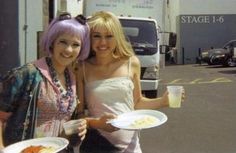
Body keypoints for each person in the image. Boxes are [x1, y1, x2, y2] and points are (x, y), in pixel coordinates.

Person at [76, 11, 185, 153]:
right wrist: (98, 124)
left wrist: (163, 101)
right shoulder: (82, 67)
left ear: (117, 38)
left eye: (109, 36)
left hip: (131, 145)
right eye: (97, 36)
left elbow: (137, 102)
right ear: (89, 38)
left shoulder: (131, 63)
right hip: (98, 144)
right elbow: (79, 115)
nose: (103, 42)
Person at [0, 12, 90, 152]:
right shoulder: (26, 74)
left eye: (75, 44)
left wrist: (76, 128)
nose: (68, 49)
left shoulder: (73, 78)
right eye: (63, 42)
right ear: (52, 42)